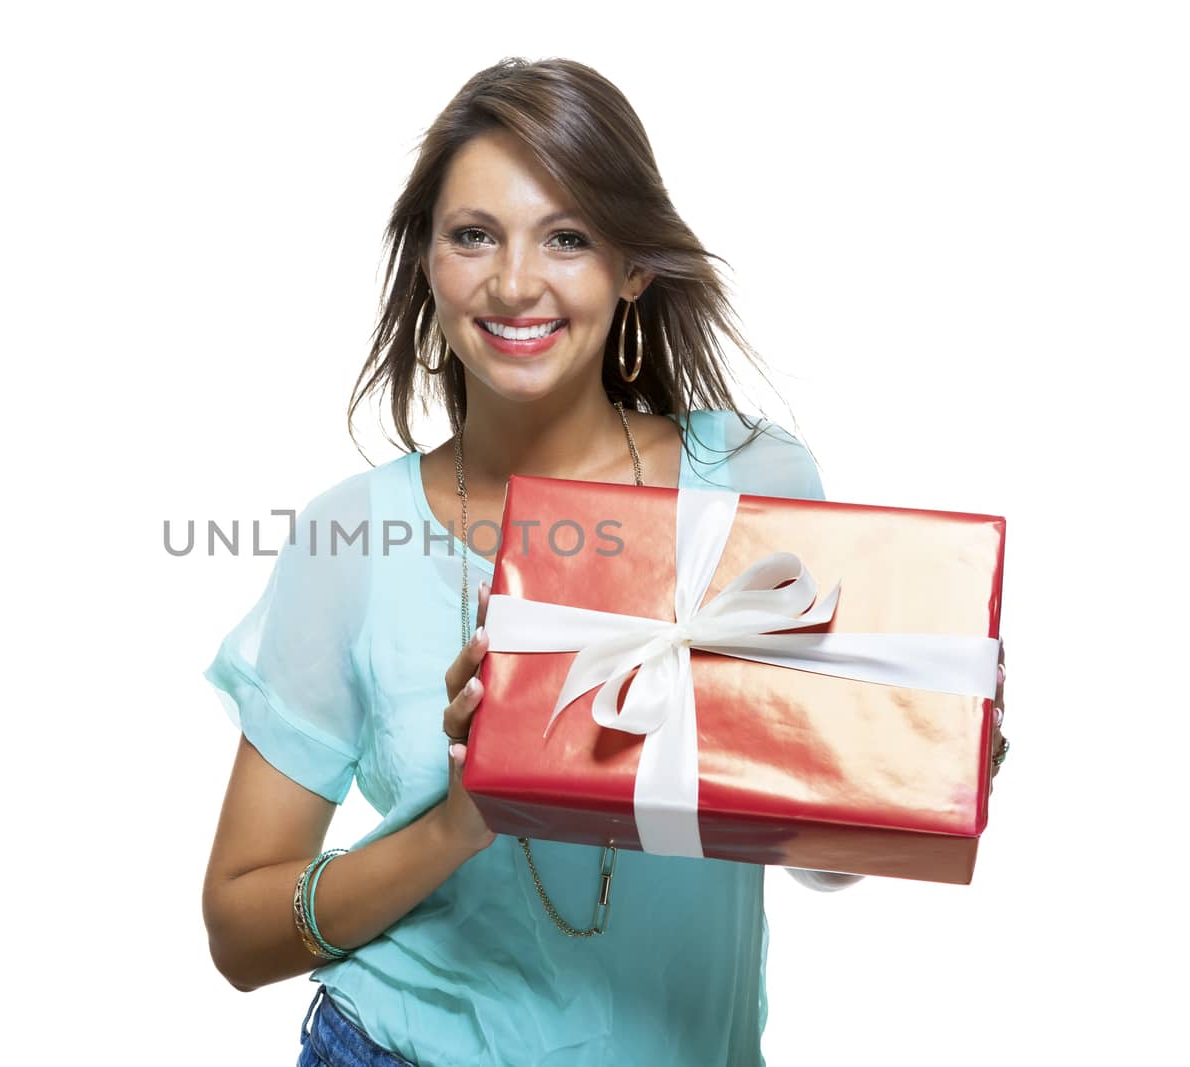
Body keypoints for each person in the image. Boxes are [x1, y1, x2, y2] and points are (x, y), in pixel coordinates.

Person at [199, 57, 1009, 1067]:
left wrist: (918, 755)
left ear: (632, 265)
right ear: (426, 262)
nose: (514, 282)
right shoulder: (349, 539)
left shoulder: (745, 486)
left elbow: (814, 854)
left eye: (568, 236)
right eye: (472, 235)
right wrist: (460, 819)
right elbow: (238, 931)